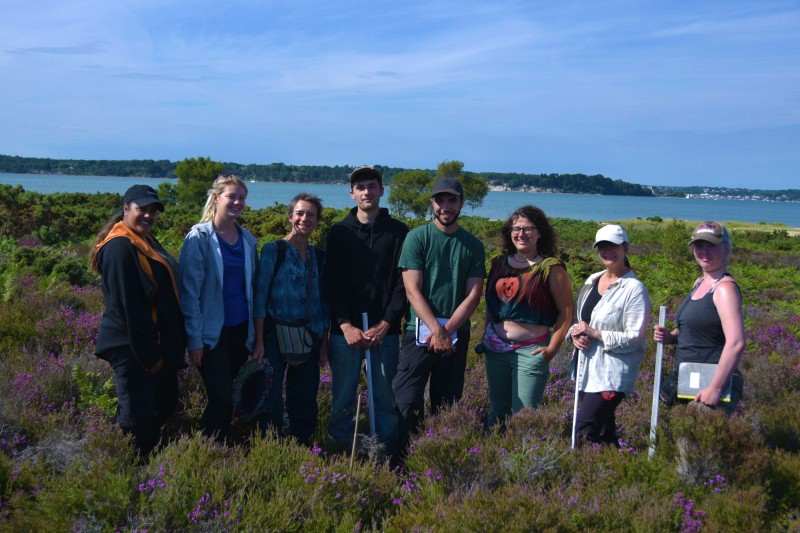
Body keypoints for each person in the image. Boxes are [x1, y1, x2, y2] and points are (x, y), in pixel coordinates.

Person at [90, 185, 186, 456]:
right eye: (142, 209)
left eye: (153, 211)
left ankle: (148, 458)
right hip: (133, 348)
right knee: (136, 417)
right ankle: (133, 470)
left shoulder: (143, 239)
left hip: (153, 344)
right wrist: (149, 355)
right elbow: (129, 306)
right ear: (126, 209)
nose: (148, 215)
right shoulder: (120, 247)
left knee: (164, 404)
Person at [393, 177, 486, 458]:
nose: (446, 206)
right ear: (433, 203)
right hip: (418, 332)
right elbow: (412, 289)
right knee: (405, 401)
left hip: (456, 335)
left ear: (461, 203)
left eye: (452, 200)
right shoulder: (417, 237)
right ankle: (400, 462)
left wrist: (448, 331)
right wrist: (437, 329)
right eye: (440, 200)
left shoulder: (473, 245)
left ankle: (438, 463)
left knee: (447, 405)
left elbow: (473, 295)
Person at [324, 166, 409, 456]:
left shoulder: (399, 232)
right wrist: (345, 325)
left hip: (384, 332)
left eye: (372, 186)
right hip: (344, 333)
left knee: (385, 399)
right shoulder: (337, 233)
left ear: (382, 190)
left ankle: (384, 455)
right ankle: (339, 451)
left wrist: (387, 322)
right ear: (352, 193)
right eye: (360, 187)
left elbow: (403, 284)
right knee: (343, 397)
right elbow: (330, 283)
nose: (366, 192)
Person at [178, 173, 260, 442]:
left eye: (242, 198)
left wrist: (255, 338)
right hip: (211, 335)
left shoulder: (248, 239)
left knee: (230, 399)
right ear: (216, 198)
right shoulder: (199, 238)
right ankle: (203, 454)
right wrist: (195, 340)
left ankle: (221, 450)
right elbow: (190, 293)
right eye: (231, 196)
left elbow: (252, 289)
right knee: (221, 398)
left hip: (239, 332)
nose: (237, 202)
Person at [482, 205, 573, 427]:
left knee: (524, 416)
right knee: (498, 411)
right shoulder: (498, 264)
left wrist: (551, 349)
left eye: (528, 228)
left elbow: (567, 312)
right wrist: (485, 335)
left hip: (530, 351)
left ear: (540, 232)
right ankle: (494, 456)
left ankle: (524, 459)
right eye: (516, 228)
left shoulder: (550, 268)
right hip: (495, 349)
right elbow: (490, 306)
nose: (521, 234)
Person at [253, 192, 329, 445]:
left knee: (305, 397)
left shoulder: (320, 255)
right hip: (275, 334)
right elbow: (260, 299)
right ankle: (271, 448)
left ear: (317, 221)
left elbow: (323, 303)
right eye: (300, 213)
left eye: (311, 215)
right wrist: (260, 343)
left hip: (311, 336)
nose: (305, 218)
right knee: (272, 397)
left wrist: (324, 344)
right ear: (290, 217)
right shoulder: (274, 251)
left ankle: (301, 446)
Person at [568, 224, 650, 446]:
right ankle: (613, 473)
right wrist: (575, 335)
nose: (607, 251)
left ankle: (587, 476)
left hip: (610, 376)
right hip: (586, 371)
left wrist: (596, 334)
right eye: (602, 246)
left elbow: (635, 337)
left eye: (613, 246)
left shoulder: (634, 289)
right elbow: (579, 322)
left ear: (625, 248)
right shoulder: (591, 281)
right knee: (603, 432)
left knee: (584, 431)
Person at [655, 221, 744, 414]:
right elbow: (698, 329)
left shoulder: (724, 289)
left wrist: (716, 388)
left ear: (726, 248)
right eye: (699, 246)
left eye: (711, 245)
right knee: (684, 441)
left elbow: (736, 342)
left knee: (700, 443)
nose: (704, 251)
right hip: (688, 379)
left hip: (710, 384)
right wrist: (671, 337)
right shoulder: (699, 282)